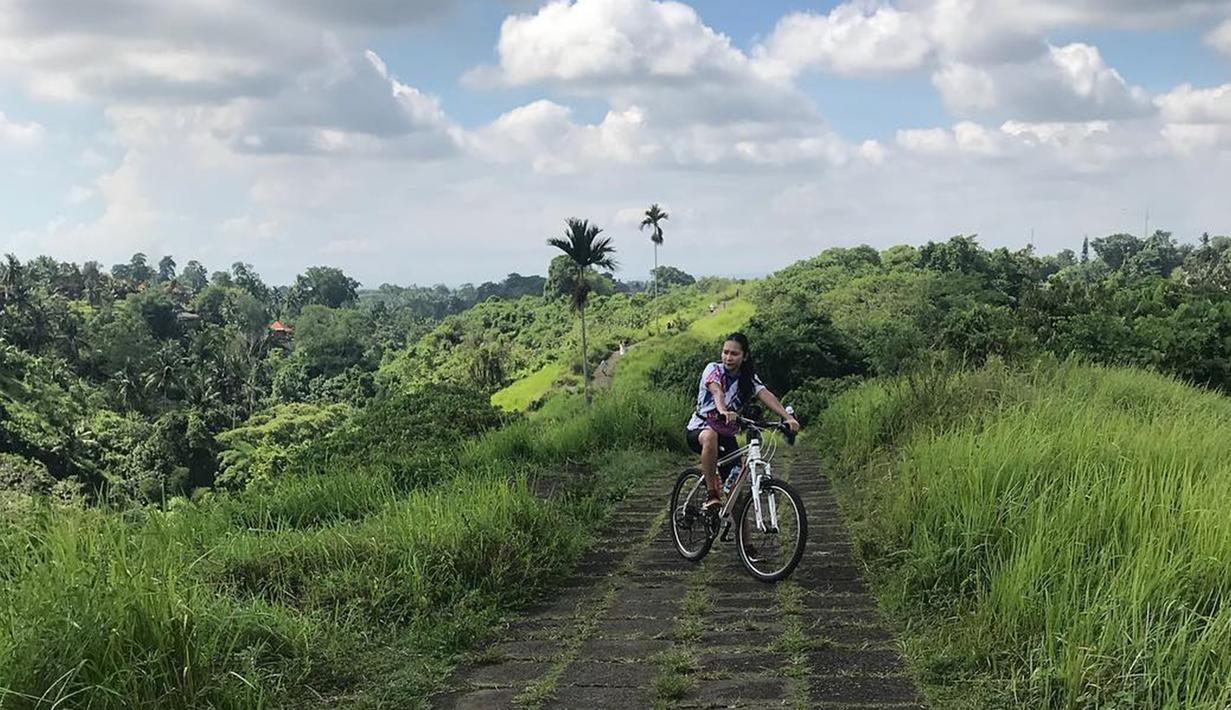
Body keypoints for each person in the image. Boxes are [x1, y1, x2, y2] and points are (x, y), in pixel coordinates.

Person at [685, 332, 799, 512]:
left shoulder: (748, 378)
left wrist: (788, 417)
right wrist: (723, 411)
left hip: (725, 434)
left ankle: (743, 531)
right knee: (710, 436)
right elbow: (717, 392)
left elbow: (765, 394)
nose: (728, 357)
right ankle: (712, 494)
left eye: (734, 354)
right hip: (700, 428)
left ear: (745, 356)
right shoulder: (713, 369)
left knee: (735, 495)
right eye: (725, 352)